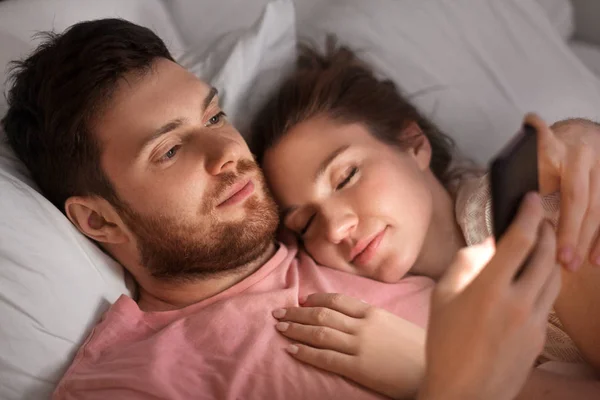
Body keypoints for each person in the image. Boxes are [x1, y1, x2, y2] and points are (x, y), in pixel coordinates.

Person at [0, 18, 582, 400]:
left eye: (215, 117)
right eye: (171, 149)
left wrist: (580, 144)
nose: (226, 154)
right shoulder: (131, 383)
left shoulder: (365, 247)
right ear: (99, 220)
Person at [251, 45, 600, 398]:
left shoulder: (538, 205)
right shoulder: (412, 313)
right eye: (307, 224)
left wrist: (432, 371)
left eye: (346, 177)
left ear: (413, 143)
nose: (336, 228)